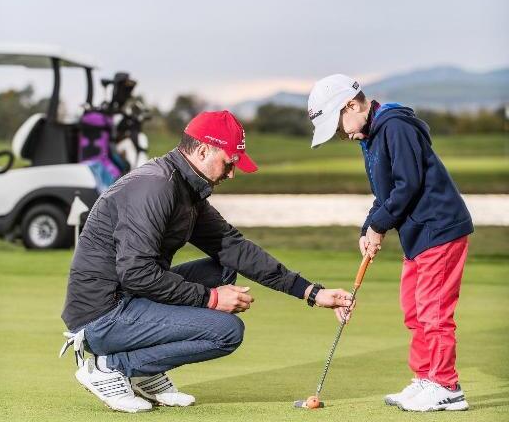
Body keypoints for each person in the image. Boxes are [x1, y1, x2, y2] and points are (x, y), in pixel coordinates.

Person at [61, 110, 354, 413]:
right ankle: (112, 367)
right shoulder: (156, 187)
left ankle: (145, 373)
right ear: (203, 151)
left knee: (225, 268)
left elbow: (234, 248)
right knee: (227, 332)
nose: (232, 173)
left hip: (129, 296)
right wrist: (211, 298)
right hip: (103, 314)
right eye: (229, 163)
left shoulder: (186, 189)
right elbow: (136, 273)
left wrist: (311, 292)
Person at [307, 74, 473, 412]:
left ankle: (446, 386)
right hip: (418, 236)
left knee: (433, 311)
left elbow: (407, 184)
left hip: (439, 229)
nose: (343, 135)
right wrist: (367, 229)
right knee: (414, 309)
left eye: (338, 127)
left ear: (351, 106)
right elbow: (385, 195)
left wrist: (379, 226)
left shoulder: (395, 126)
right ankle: (426, 378)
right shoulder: (371, 136)